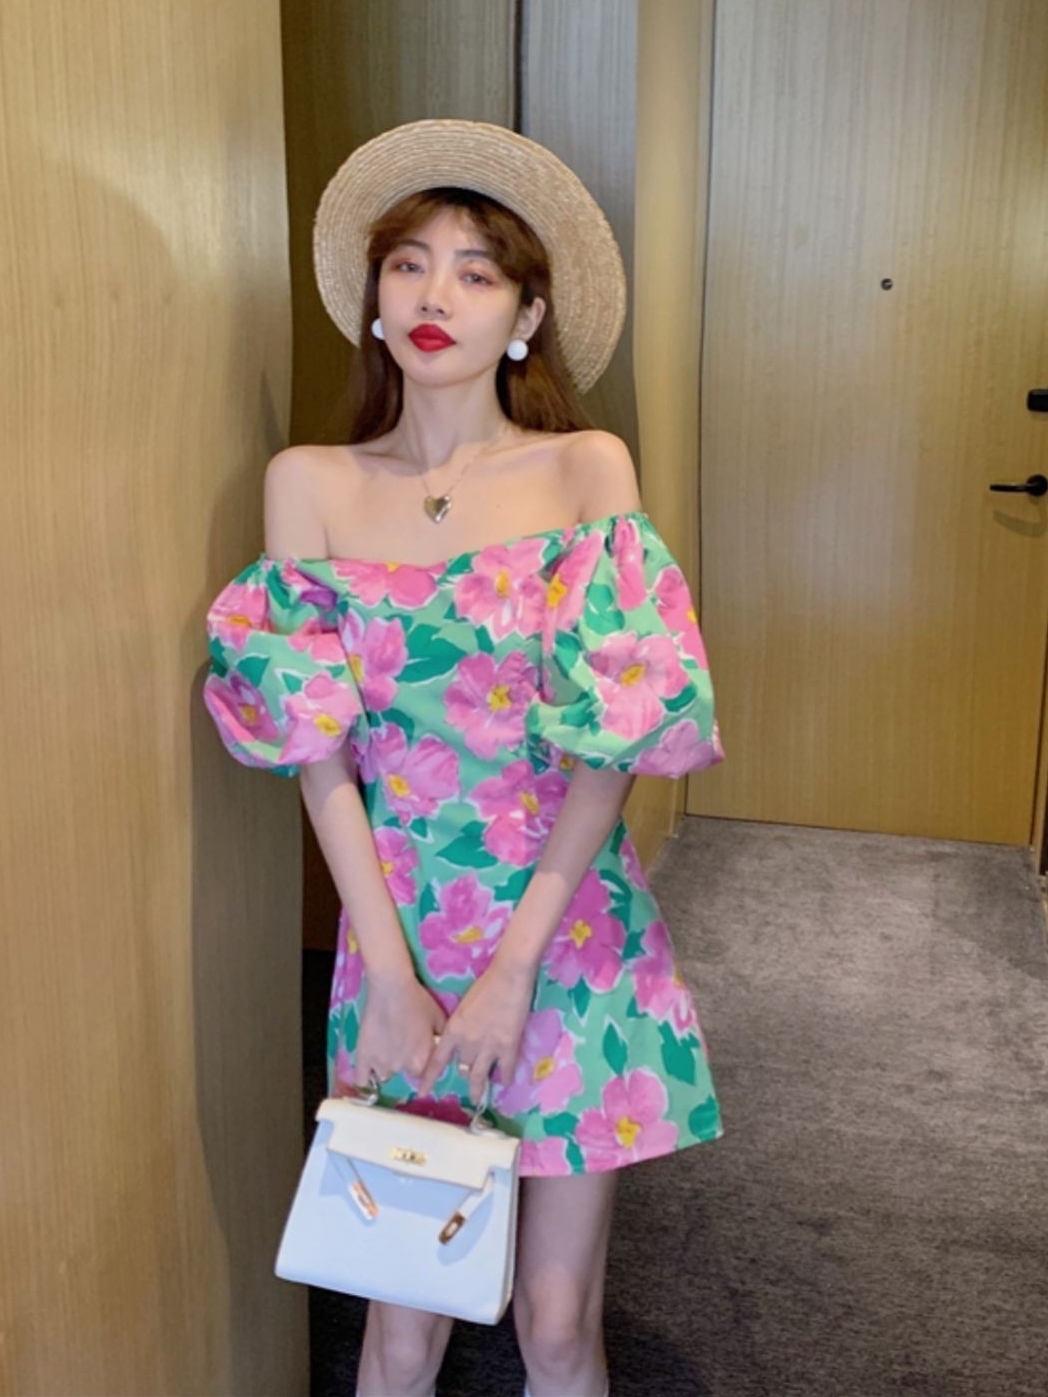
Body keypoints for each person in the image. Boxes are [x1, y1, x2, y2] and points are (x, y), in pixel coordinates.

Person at [202, 118, 726, 1397]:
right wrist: (386, 972)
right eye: (409, 265)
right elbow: (317, 749)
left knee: (554, 1326)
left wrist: (511, 969)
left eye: (476, 272)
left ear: (527, 315)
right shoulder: (309, 483)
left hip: (565, 932)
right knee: (400, 1331)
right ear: (374, 299)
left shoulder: (583, 469)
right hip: (400, 937)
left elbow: (613, 740)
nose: (436, 295)